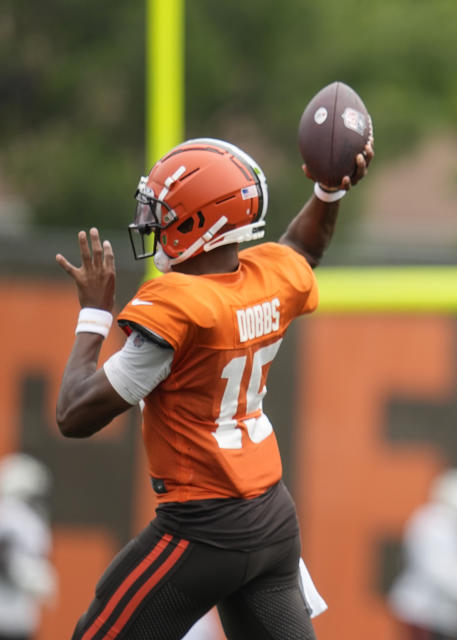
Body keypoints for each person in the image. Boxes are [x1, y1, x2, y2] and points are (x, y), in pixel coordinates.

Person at [54, 132, 372, 639]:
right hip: (271, 520)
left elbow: (73, 415)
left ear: (198, 222)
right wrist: (328, 193)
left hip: (202, 529)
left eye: (164, 211)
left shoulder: (181, 309)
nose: (151, 223)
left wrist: (93, 313)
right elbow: (303, 248)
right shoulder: (268, 280)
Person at [388, 469, 457, 640]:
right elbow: (440, 572)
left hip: (439, 616)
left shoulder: (448, 523)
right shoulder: (439, 524)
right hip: (427, 612)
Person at [0, 453, 56, 640]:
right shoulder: (16, 517)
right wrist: (30, 576)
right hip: (10, 617)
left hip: (18, 616)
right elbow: (8, 556)